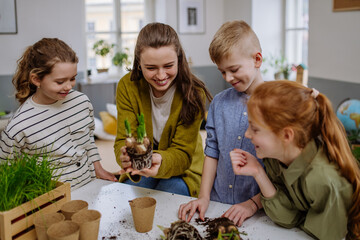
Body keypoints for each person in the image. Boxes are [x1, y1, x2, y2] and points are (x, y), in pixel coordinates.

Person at [230, 80, 360, 240]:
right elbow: (287, 218)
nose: (247, 135)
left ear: (286, 135)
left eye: (255, 128)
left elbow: (321, 234)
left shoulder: (325, 180)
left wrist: (298, 217)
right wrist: (258, 172)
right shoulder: (276, 156)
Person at [0, 38, 117, 190]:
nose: (68, 86)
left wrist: (98, 168)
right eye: (60, 82)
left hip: (88, 187)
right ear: (36, 79)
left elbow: (88, 139)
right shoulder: (19, 125)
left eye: (73, 78)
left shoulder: (82, 102)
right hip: (51, 198)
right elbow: (6, 170)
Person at [178, 20, 265, 226]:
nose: (228, 77)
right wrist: (204, 197)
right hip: (217, 203)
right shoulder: (219, 102)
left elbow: (282, 173)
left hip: (258, 211)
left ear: (257, 59)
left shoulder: (277, 105)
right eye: (222, 71)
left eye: (233, 69)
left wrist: (252, 204)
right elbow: (212, 151)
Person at [114, 22, 212, 197]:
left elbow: (182, 154)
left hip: (185, 170)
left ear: (180, 60)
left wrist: (159, 160)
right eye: (151, 68)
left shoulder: (194, 92)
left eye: (168, 66)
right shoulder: (127, 86)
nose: (160, 76)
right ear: (138, 64)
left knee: (166, 199)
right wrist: (125, 156)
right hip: (143, 165)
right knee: (130, 197)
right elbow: (124, 138)